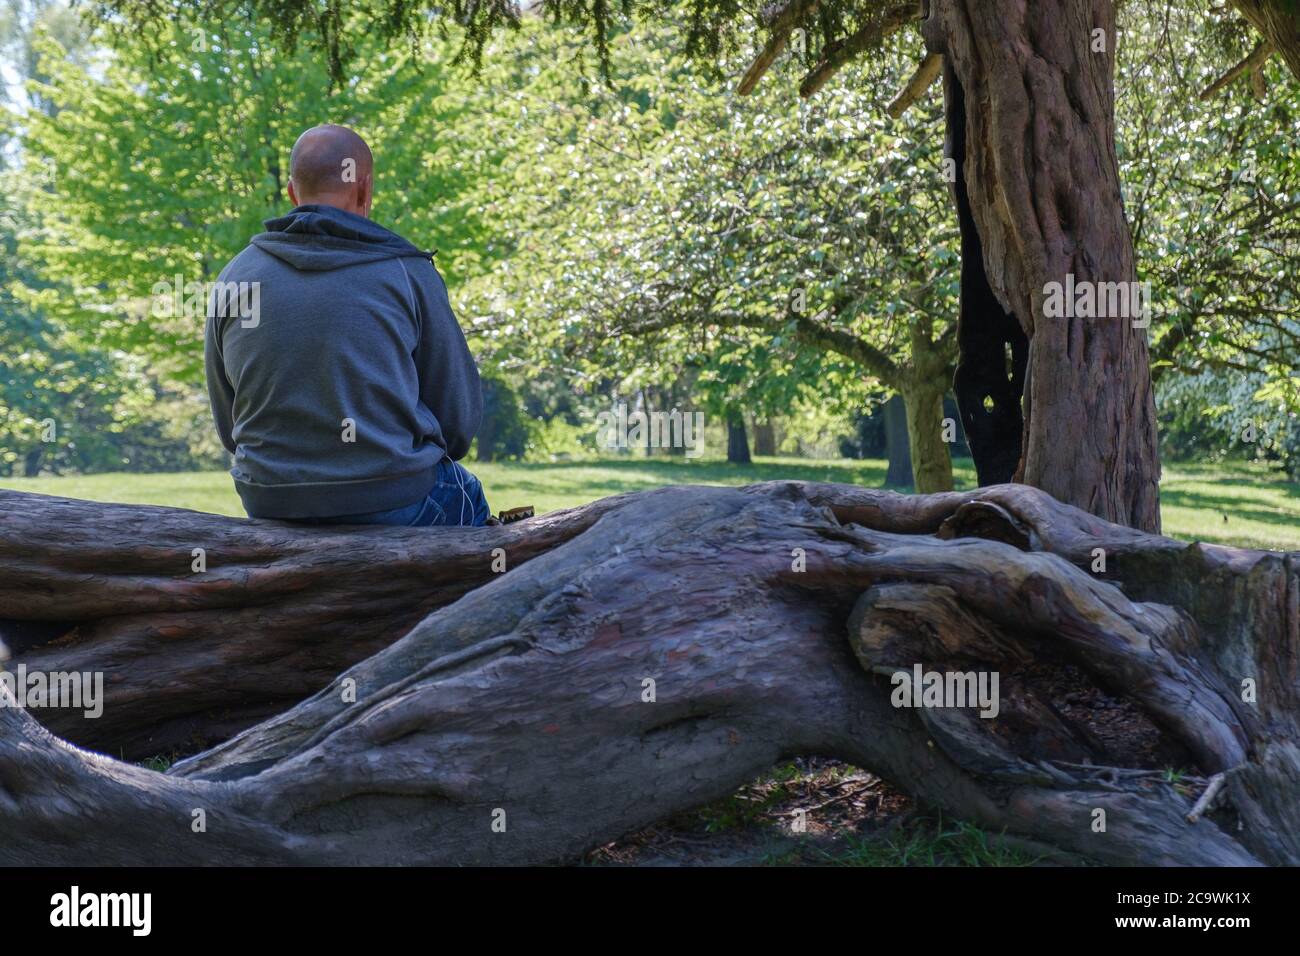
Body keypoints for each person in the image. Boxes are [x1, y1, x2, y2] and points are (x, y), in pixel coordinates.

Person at [204, 124, 490, 526]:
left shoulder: (235, 276)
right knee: (467, 495)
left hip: (270, 498)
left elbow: (230, 427)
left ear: (291, 194)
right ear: (364, 190)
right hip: (391, 495)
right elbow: (457, 424)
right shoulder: (406, 272)